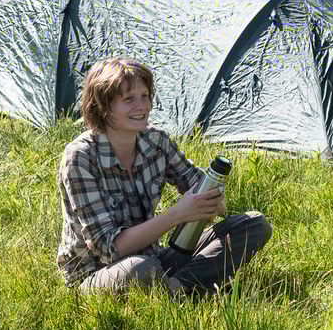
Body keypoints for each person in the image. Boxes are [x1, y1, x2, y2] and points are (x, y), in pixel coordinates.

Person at [57, 58, 272, 296]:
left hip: (155, 258)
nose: (142, 106)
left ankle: (176, 289)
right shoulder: (80, 157)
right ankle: (187, 288)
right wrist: (178, 214)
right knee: (140, 269)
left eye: (145, 96)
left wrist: (210, 201)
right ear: (103, 105)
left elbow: (203, 190)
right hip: (98, 273)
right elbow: (109, 249)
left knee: (254, 225)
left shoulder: (156, 141)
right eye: (129, 99)